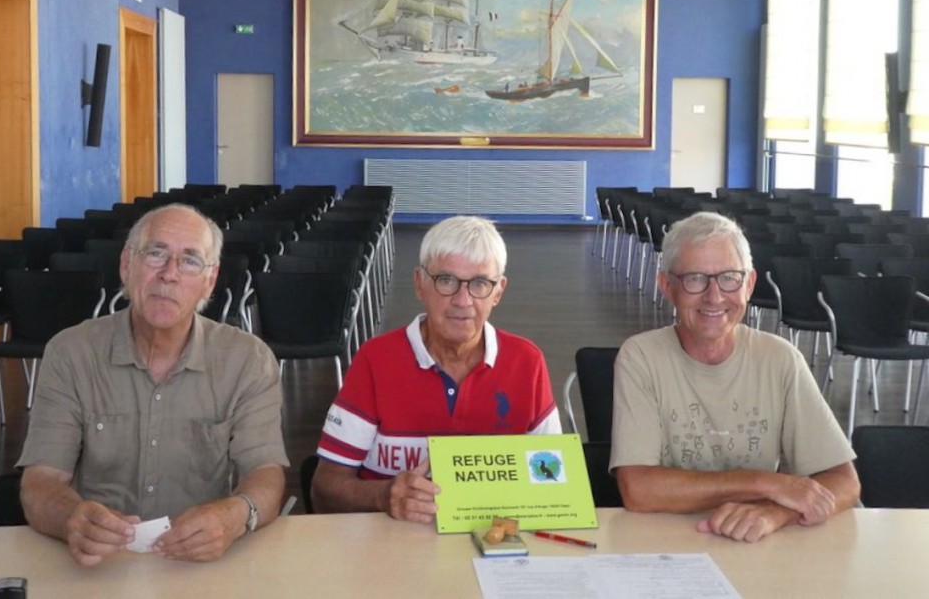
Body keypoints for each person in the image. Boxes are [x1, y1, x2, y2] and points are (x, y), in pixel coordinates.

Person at [18, 203, 288, 566]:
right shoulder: (71, 353)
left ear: (210, 279)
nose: (169, 274)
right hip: (99, 561)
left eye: (190, 260)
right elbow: (41, 480)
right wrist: (72, 519)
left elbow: (265, 473)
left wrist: (236, 516)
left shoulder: (247, 361)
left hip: (200, 562)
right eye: (156, 254)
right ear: (126, 265)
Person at [610, 211, 860, 543]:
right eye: (695, 278)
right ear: (667, 286)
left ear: (750, 284)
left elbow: (844, 481)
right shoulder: (640, 357)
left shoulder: (781, 359)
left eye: (729, 278)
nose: (714, 297)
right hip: (664, 540)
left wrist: (776, 512)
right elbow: (639, 490)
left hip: (756, 543)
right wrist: (767, 483)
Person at [312, 215, 561, 523]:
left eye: (480, 283)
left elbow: (553, 482)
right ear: (419, 283)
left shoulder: (527, 362)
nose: (462, 300)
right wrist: (382, 496)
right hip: (390, 548)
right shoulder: (375, 360)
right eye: (446, 280)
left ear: (498, 292)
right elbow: (323, 489)